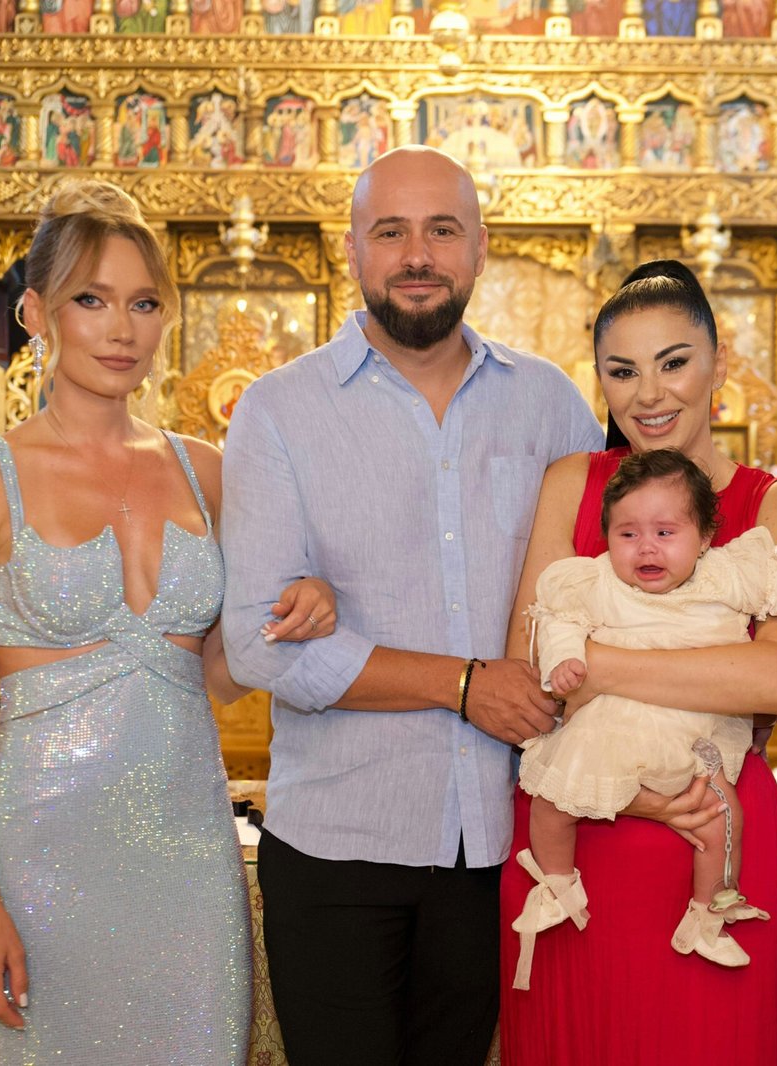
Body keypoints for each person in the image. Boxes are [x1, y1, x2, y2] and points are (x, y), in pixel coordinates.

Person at [0, 179, 332, 1064]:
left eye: (144, 303)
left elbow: (217, 674)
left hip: (187, 858)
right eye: (91, 300)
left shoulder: (206, 470)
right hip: (41, 860)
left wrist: (296, 613)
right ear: (36, 313)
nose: (122, 328)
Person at [219, 145, 602, 1066]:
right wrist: (464, 684)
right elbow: (259, 650)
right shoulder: (278, 412)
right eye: (391, 231)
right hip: (338, 844)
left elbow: (609, 586)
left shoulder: (549, 407)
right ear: (352, 249)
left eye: (442, 230)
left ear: (479, 249)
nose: (417, 253)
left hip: (503, 844)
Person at [498, 259, 777, 1065]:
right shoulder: (573, 484)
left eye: (674, 362)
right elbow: (524, 674)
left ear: (718, 361)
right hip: (575, 850)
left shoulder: (775, 505)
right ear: (600, 383)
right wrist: (635, 794)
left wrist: (596, 664)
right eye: (623, 371)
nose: (650, 393)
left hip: (712, 835)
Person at [511, 449, 777, 989]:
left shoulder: (727, 573)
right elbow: (558, 619)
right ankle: (557, 883)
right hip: (612, 725)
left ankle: (708, 913)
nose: (646, 547)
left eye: (665, 532)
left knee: (721, 812)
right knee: (552, 800)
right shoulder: (593, 582)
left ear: (705, 538)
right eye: (627, 534)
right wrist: (567, 659)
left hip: (696, 726)